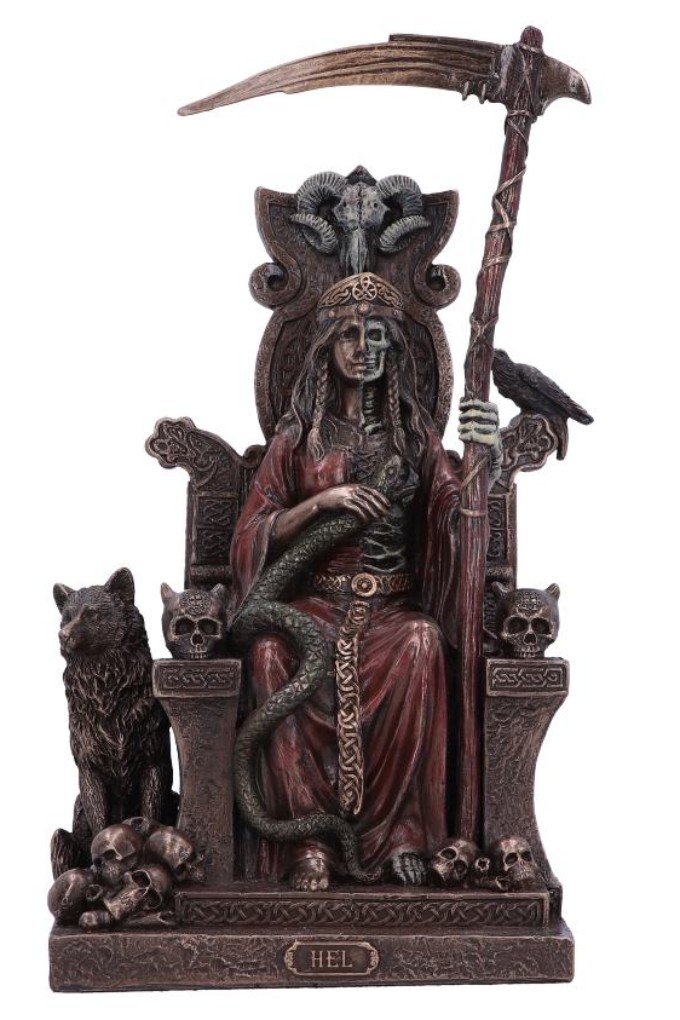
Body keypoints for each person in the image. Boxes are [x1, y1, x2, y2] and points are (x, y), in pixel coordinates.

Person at [230, 272, 500, 890]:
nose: (364, 348)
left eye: (377, 336)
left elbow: (453, 514)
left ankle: (403, 833)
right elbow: (252, 533)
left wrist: (485, 456)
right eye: (350, 335)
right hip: (312, 603)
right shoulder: (298, 439)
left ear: (394, 350)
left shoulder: (413, 436)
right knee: (269, 654)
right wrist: (320, 503)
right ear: (326, 347)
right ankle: (309, 841)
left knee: (421, 643)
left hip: (392, 609)